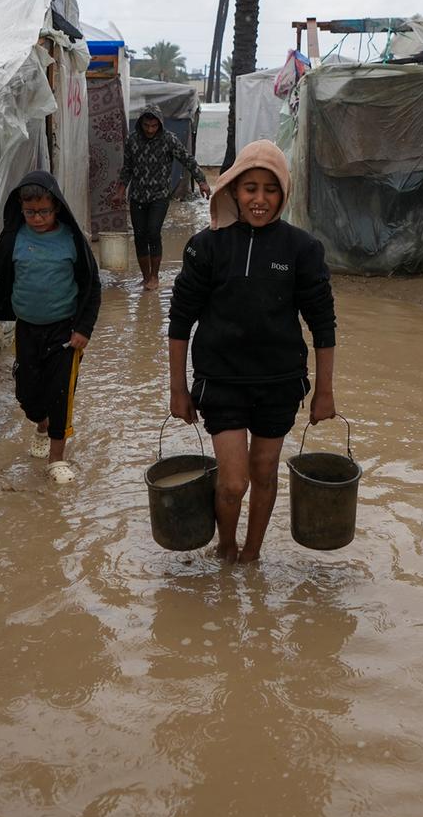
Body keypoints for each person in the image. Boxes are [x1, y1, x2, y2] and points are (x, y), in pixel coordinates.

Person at [167, 139, 337, 565]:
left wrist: (325, 391)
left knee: (264, 474)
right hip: (220, 382)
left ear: (284, 193)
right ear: (232, 190)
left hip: (279, 383)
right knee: (233, 482)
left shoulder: (302, 250)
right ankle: (225, 547)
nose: (260, 199)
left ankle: (251, 556)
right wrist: (177, 389)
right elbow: (180, 321)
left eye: (270, 189)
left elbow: (323, 324)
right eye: (250, 188)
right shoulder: (205, 247)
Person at [0, 171, 101, 485]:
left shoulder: (72, 240)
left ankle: (57, 458)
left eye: (43, 211)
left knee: (61, 393)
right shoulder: (14, 239)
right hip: (28, 330)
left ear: (57, 207)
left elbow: (92, 286)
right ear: (21, 209)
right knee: (27, 395)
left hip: (65, 333)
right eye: (30, 212)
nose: (36, 218)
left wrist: (83, 330)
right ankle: (42, 424)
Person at [113, 106, 211, 289]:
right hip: (137, 196)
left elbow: (187, 159)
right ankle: (145, 276)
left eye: (154, 125)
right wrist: (119, 191)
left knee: (153, 232)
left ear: (160, 124)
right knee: (140, 236)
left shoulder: (169, 140)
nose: (150, 130)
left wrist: (202, 181)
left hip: (159, 196)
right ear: (141, 123)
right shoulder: (132, 140)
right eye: (146, 125)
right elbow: (127, 168)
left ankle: (154, 277)